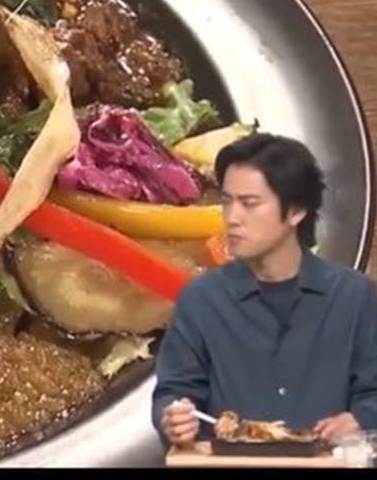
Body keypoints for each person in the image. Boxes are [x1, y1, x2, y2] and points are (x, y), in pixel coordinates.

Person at [152, 132, 377, 448]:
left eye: (249, 204)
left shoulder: (354, 296)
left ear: (296, 211)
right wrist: (173, 418)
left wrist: (360, 419)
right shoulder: (200, 299)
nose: (232, 218)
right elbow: (173, 393)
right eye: (227, 202)